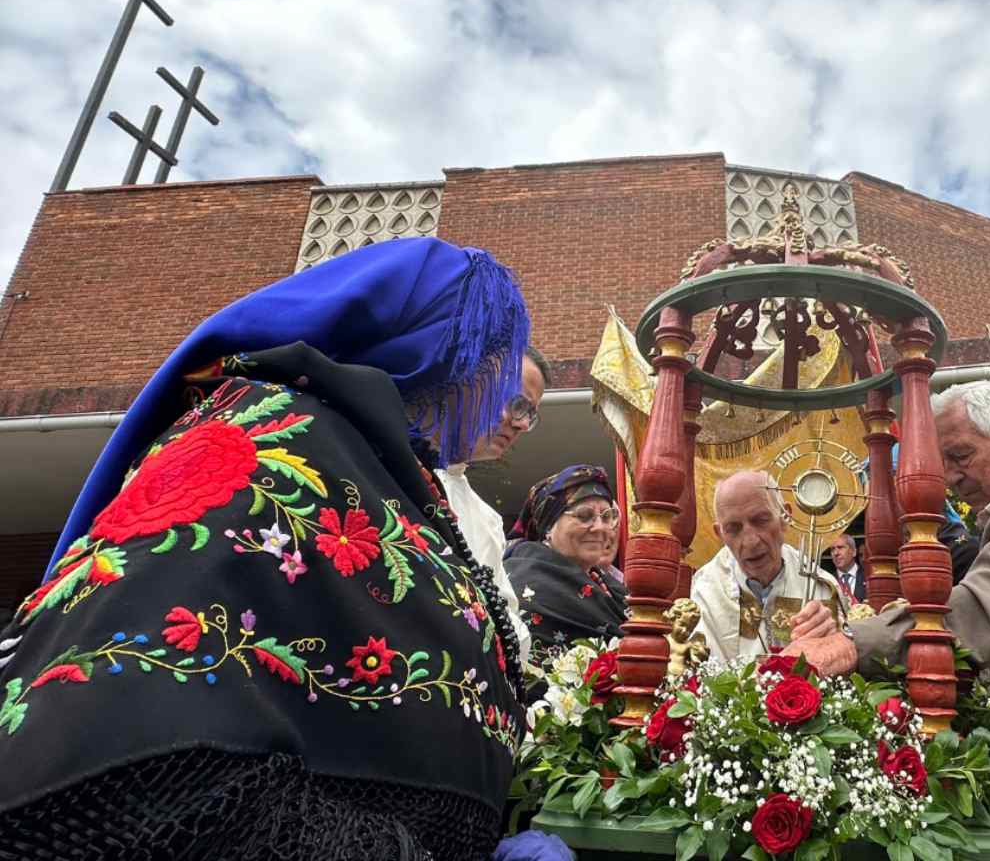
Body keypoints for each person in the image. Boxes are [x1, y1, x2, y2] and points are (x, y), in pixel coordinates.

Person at [0, 237, 535, 860]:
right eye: (493, 360)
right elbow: (132, 772)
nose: (503, 404)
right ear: (433, 342)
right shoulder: (271, 432)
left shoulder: (389, 476)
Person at [787, 378, 990, 746]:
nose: (947, 478)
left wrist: (852, 644)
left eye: (960, 456)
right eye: (941, 462)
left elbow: (982, 612)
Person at [434, 344, 549, 668]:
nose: (522, 424)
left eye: (530, 414)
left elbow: (508, 624)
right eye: (516, 404)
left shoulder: (487, 520)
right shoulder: (384, 467)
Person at [690, 469, 843, 661]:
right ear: (719, 534)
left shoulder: (822, 587)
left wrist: (834, 641)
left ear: (785, 517)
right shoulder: (706, 590)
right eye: (733, 529)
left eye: (761, 521)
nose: (751, 541)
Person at [505, 465, 628, 671]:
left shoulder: (609, 585)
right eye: (584, 516)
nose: (600, 528)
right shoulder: (526, 581)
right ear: (548, 527)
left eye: (607, 517)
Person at [828, 532, 866, 603]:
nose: (836, 553)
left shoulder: (868, 577)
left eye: (840, 547)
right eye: (832, 549)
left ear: (854, 552)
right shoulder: (828, 581)